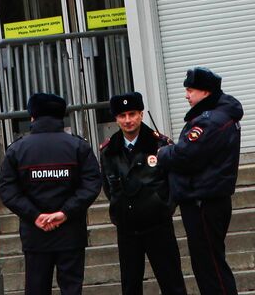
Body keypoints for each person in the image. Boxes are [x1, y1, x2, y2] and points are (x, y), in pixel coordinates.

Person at [0, 92, 102, 295]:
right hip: (70, 232)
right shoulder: (78, 146)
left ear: (32, 117)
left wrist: (35, 216)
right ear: (61, 116)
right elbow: (91, 184)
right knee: (71, 289)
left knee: (36, 289)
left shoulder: (17, 150)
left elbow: (7, 189)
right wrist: (65, 213)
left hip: (35, 234)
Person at [156, 68, 244, 295]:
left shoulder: (210, 121)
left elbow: (185, 156)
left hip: (203, 201)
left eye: (190, 90)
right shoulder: (218, 116)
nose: (186, 95)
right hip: (206, 199)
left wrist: (163, 152)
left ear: (205, 92)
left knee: (210, 266)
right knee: (208, 263)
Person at [100, 91, 187, 295]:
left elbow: (174, 183)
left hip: (157, 225)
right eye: (122, 115)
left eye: (132, 114)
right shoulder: (108, 151)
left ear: (141, 114)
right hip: (127, 228)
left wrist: (163, 207)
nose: (128, 120)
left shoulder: (160, 145)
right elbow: (108, 187)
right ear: (116, 118)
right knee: (130, 286)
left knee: (172, 283)